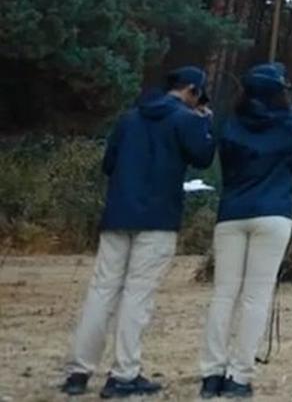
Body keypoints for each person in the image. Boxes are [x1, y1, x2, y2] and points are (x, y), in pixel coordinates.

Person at [61, 67, 215, 398]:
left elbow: (108, 164)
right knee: (137, 295)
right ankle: (124, 374)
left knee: (102, 291)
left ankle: (79, 371)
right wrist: (205, 122)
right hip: (158, 218)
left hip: (118, 213)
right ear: (192, 90)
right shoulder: (187, 120)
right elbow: (203, 157)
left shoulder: (130, 118)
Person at [199, 63, 292, 399]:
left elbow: (224, 164)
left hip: (232, 211)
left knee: (223, 295)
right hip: (275, 212)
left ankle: (211, 374)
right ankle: (239, 377)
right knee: (256, 297)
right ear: (280, 91)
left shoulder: (230, 123)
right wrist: (282, 188)